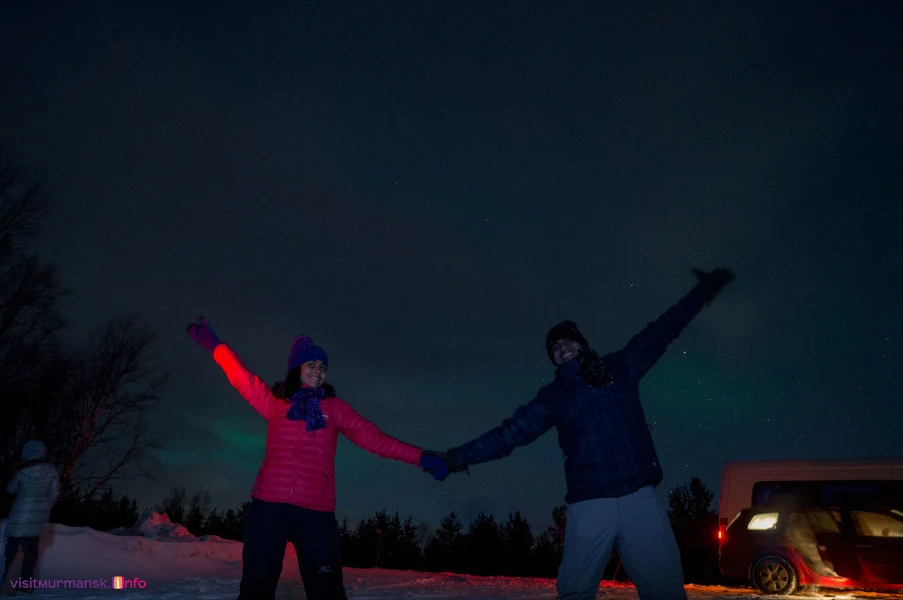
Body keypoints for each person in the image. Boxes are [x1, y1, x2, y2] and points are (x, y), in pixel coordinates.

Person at [426, 268, 734, 600]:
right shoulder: (553, 398)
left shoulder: (622, 366)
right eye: (554, 347)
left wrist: (701, 294)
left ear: (582, 343)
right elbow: (508, 435)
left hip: (639, 500)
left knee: (665, 590)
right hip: (590, 506)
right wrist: (458, 457)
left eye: (566, 340)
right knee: (575, 592)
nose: (561, 348)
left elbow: (662, 330)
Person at [186, 318, 448, 600]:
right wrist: (214, 345)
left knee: (327, 590)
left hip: (315, 512)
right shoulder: (276, 403)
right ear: (296, 369)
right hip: (268, 508)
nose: (318, 371)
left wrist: (421, 457)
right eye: (311, 364)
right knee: (256, 587)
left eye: (322, 367)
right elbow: (241, 377)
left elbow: (376, 439)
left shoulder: (333, 408)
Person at [2, 440, 60, 596]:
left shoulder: (21, 471)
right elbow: (54, 494)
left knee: (13, 553)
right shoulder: (52, 471)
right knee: (31, 555)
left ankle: (8, 587)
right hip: (38, 519)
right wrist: (44, 506)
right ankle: (26, 587)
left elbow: (10, 489)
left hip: (20, 516)